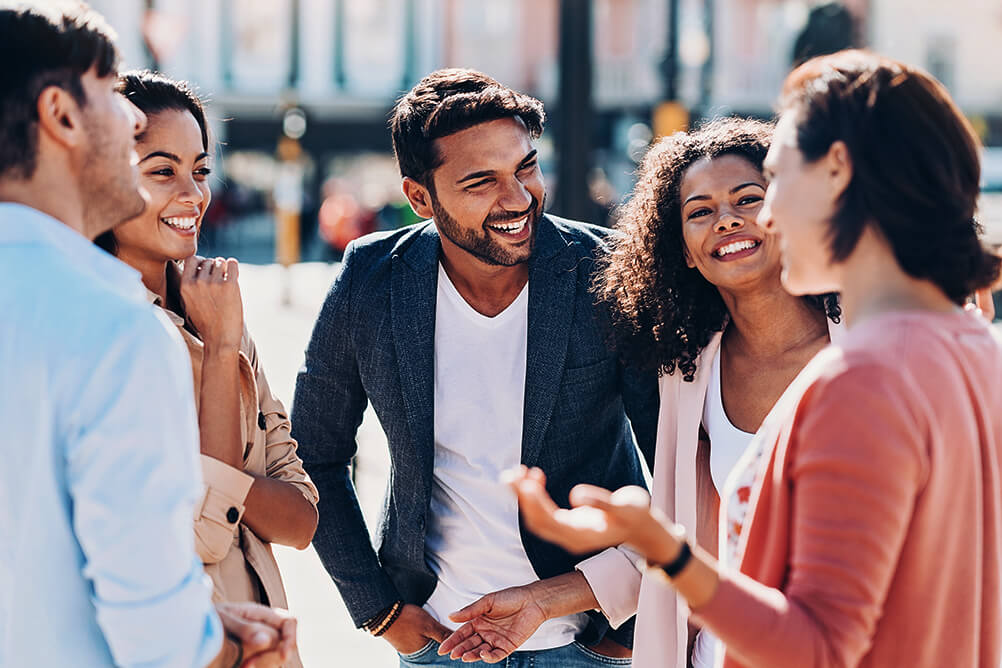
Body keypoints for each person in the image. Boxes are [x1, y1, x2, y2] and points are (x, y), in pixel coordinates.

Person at [511, 49, 1002, 668]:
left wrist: (668, 552)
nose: (760, 215)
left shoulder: (864, 379)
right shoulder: (968, 345)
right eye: (702, 211)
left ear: (837, 173)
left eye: (775, 177)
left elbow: (814, 647)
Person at [291, 68, 660, 666]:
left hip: (591, 639)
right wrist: (379, 610)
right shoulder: (371, 280)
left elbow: (677, 468)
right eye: (481, 181)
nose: (517, 198)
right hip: (440, 642)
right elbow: (315, 453)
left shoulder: (608, 273)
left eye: (526, 168)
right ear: (419, 198)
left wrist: (618, 627)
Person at [0, 4, 295, 666]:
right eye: (111, 93)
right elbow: (157, 635)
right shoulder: (111, 327)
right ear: (62, 115)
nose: (131, 117)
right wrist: (235, 645)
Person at [93, 69, 319, 666]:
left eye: (199, 170)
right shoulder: (106, 331)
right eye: (162, 171)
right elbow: (202, 536)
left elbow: (300, 518)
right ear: (103, 179)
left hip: (269, 647)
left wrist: (214, 480)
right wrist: (220, 354)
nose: (193, 195)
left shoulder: (218, 310)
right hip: (183, 649)